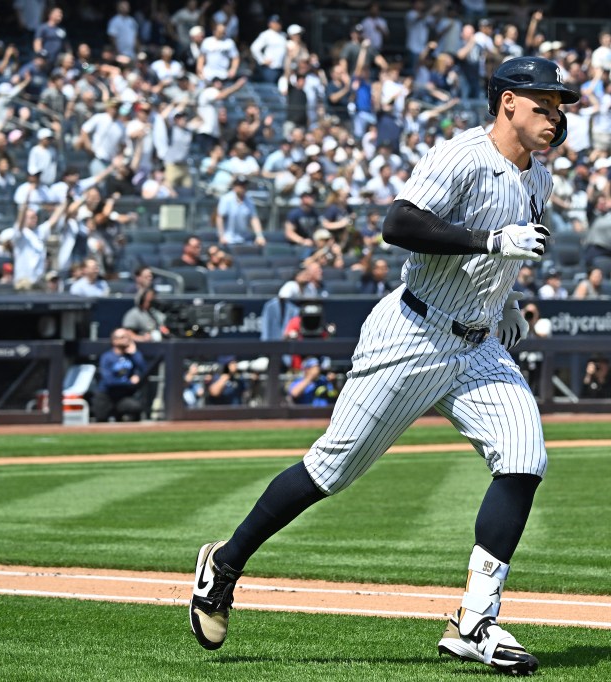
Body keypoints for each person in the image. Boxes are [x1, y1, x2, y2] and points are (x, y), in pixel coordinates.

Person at [188, 56, 576, 676]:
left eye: (560, 107)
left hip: (478, 345)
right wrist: (488, 243)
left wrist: (510, 304)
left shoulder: (540, 179)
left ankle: (476, 621)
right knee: (330, 469)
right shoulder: (463, 156)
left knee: (524, 457)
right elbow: (398, 223)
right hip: (413, 335)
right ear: (508, 102)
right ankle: (225, 563)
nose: (556, 117)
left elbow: (504, 254)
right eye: (544, 104)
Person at [92, 328, 146, 422]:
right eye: (122, 337)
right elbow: (109, 381)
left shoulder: (131, 356)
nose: (126, 339)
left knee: (135, 407)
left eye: (127, 337)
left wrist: (135, 353)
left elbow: (143, 369)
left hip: (123, 396)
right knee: (101, 419)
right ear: (114, 340)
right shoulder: (107, 357)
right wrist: (129, 382)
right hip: (106, 395)